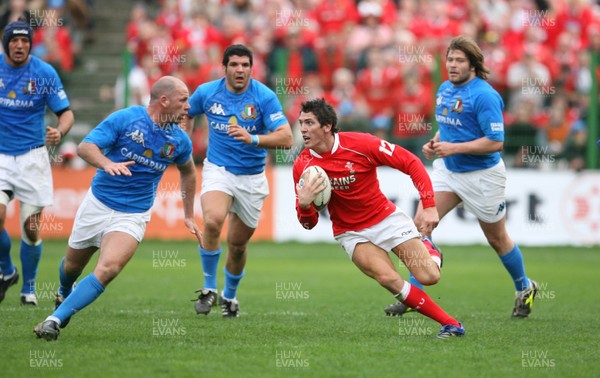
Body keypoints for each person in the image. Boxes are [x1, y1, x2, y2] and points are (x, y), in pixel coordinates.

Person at [33, 76, 202, 341]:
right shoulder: (126, 119)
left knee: (108, 268)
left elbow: (189, 174)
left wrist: (189, 214)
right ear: (164, 100)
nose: (188, 107)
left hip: (133, 214)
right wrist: (106, 164)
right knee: (71, 268)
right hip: (98, 204)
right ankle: (64, 291)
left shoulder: (179, 140)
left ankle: (53, 320)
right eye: (183, 100)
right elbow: (85, 147)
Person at [386, 36, 538, 318]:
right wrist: (435, 143)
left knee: (497, 239)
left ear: (473, 65)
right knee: (421, 225)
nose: (452, 65)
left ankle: (524, 287)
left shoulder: (484, 95)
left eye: (459, 61)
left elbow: (496, 142)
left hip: (483, 176)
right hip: (449, 171)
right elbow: (448, 126)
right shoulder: (444, 89)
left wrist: (453, 147)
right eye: (450, 60)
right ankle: (414, 296)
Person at [293, 98, 464, 339]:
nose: (303, 129)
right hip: (350, 231)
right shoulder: (303, 165)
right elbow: (308, 224)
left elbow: (411, 162)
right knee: (388, 278)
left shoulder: (360, 144)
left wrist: (428, 205)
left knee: (430, 277)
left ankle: (427, 246)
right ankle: (451, 324)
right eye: (301, 123)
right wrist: (304, 204)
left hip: (386, 220)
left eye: (309, 122)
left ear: (327, 126)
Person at [188, 44, 292, 317]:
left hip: (252, 178)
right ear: (224, 68)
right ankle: (209, 289)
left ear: (251, 69)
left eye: (245, 65)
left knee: (236, 245)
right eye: (234, 65)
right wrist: (184, 146)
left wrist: (253, 139)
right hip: (218, 170)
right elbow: (185, 113)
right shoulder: (207, 92)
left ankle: (229, 297)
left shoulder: (264, 97)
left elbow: (286, 137)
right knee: (212, 220)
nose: (240, 70)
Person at [0, 20, 74, 306]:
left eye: (25, 41)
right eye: (14, 41)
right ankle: (6, 270)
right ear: (7, 43)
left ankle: (28, 287)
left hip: (32, 156)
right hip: (2, 155)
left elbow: (66, 113)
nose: (20, 45)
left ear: (31, 43)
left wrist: (60, 130)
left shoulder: (44, 73)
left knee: (31, 228)